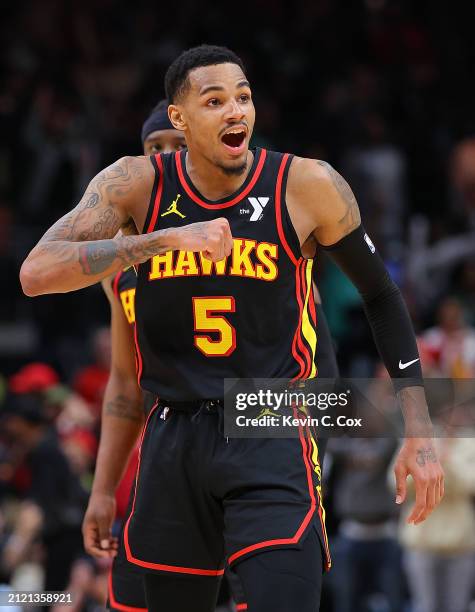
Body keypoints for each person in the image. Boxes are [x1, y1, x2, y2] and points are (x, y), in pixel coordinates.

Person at [20, 45, 444, 612]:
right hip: (173, 430)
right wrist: (163, 240)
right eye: (214, 100)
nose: (235, 111)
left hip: (266, 415)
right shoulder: (135, 186)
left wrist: (419, 427)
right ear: (179, 119)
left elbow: (382, 295)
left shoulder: (306, 185)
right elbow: (35, 272)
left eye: (242, 97)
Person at [83, 100, 186, 611]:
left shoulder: (258, 227)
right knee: (130, 593)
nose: (165, 157)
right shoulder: (119, 261)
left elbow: (318, 363)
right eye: (153, 148)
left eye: (178, 145)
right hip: (170, 448)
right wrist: (104, 491)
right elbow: (126, 386)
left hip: (258, 446)